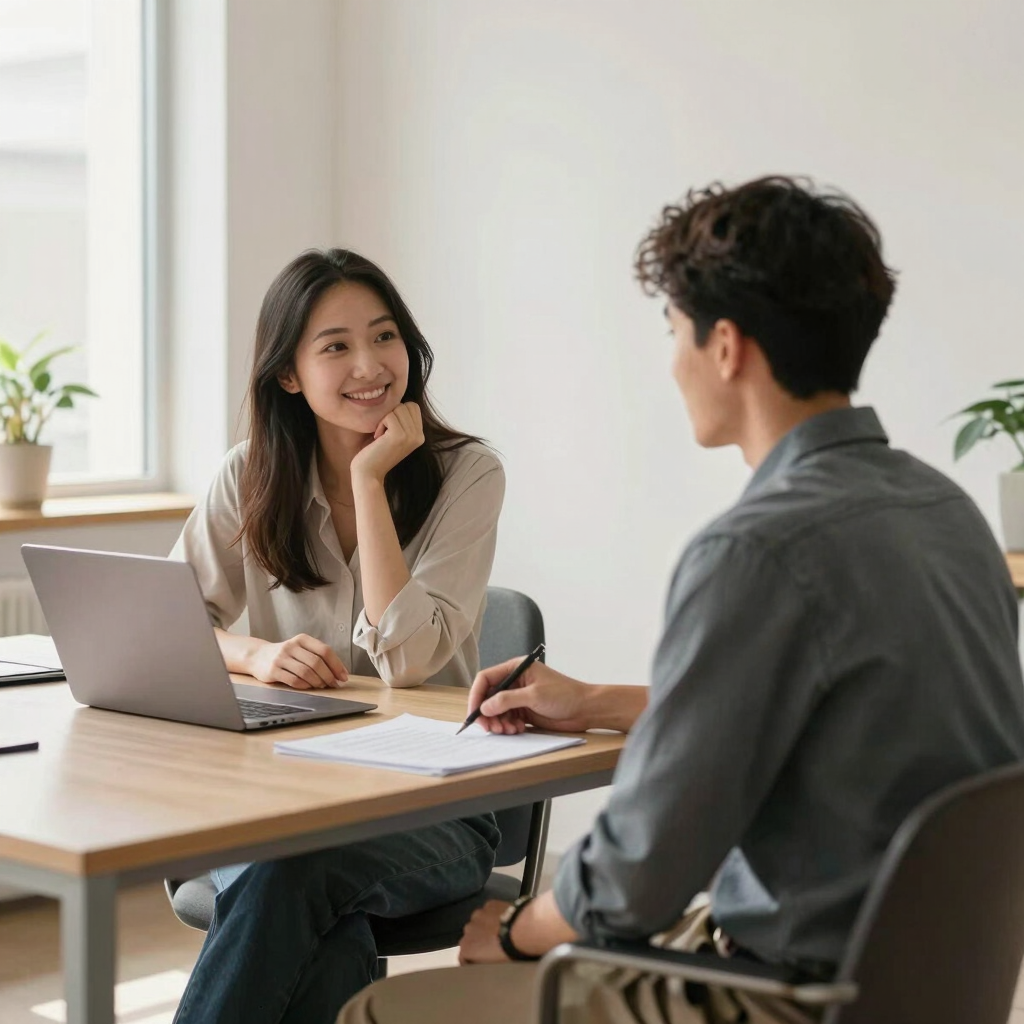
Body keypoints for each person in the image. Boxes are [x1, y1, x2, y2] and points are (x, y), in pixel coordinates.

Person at [339, 177, 1024, 1024]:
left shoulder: (754, 549)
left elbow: (641, 873)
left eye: (674, 333)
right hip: (930, 984)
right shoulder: (947, 514)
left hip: (786, 995)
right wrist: (593, 703)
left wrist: (520, 927)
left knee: (385, 1011)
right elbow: (838, 723)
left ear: (727, 346)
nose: (672, 363)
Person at [169, 249, 505, 1024]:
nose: (370, 365)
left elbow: (410, 662)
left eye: (385, 337)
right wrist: (255, 652)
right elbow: (173, 616)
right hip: (278, 803)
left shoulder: (468, 475)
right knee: (322, 922)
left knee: (289, 878)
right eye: (336, 346)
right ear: (288, 373)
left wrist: (369, 481)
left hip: (438, 810)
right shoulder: (248, 473)